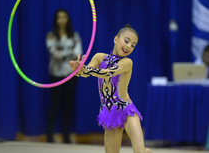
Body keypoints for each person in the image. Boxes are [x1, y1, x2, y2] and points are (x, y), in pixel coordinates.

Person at [70, 24, 152, 153]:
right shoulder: (99, 57)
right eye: (126, 41)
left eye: (133, 45)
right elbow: (87, 73)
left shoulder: (127, 62)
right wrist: (79, 69)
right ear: (115, 39)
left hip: (126, 110)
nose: (129, 46)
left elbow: (107, 72)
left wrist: (85, 69)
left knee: (140, 151)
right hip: (110, 113)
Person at [46, 8, 82, 143]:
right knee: (54, 104)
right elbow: (54, 54)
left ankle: (66, 136)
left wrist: (63, 52)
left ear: (68, 19)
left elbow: (78, 54)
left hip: (71, 74)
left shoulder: (75, 35)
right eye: (59, 17)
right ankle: (49, 136)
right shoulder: (51, 35)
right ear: (56, 20)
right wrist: (69, 51)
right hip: (56, 74)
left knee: (68, 105)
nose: (62, 20)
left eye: (64, 17)